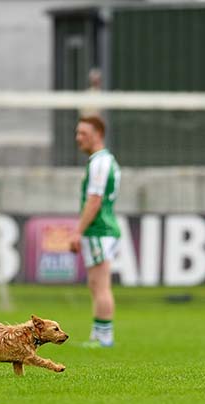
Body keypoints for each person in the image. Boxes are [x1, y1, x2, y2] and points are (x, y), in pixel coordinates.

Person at [68, 116, 120, 348]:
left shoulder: (101, 162)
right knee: (95, 284)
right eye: (77, 133)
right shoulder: (99, 161)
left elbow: (95, 200)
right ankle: (98, 335)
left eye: (84, 133)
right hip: (99, 230)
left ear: (98, 134)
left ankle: (104, 337)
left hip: (99, 229)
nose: (78, 138)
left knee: (100, 285)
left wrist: (77, 231)